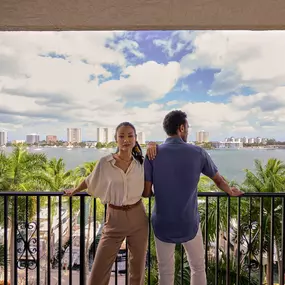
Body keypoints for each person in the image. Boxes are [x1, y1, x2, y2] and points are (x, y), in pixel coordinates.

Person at [143, 110, 243, 285]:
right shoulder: (198, 152)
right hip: (188, 222)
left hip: (163, 223)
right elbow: (218, 179)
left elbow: (146, 192)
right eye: (187, 127)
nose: (188, 131)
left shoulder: (153, 153)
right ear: (181, 128)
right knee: (197, 267)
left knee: (165, 270)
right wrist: (230, 191)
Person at [64, 122, 148, 285]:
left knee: (137, 270)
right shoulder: (106, 162)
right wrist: (74, 190)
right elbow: (90, 180)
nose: (126, 140)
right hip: (114, 217)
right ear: (116, 139)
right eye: (121, 136)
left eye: (130, 136)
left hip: (138, 216)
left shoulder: (141, 163)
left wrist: (152, 146)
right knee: (99, 271)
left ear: (136, 139)